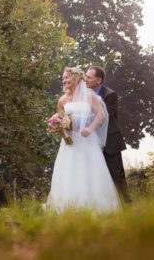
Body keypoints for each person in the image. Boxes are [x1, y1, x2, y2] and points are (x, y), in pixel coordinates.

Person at [43, 66, 121, 212]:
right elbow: (59, 122)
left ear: (75, 78)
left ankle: (94, 208)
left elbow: (101, 115)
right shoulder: (62, 100)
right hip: (69, 144)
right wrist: (63, 135)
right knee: (68, 173)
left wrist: (90, 129)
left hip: (87, 141)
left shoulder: (89, 95)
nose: (63, 80)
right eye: (63, 78)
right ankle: (67, 208)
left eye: (66, 77)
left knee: (88, 172)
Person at [85, 65, 131, 203]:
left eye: (89, 77)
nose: (85, 79)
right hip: (92, 142)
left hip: (110, 141)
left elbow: (104, 117)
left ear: (98, 81)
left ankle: (127, 205)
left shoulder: (110, 95)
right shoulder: (83, 94)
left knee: (117, 175)